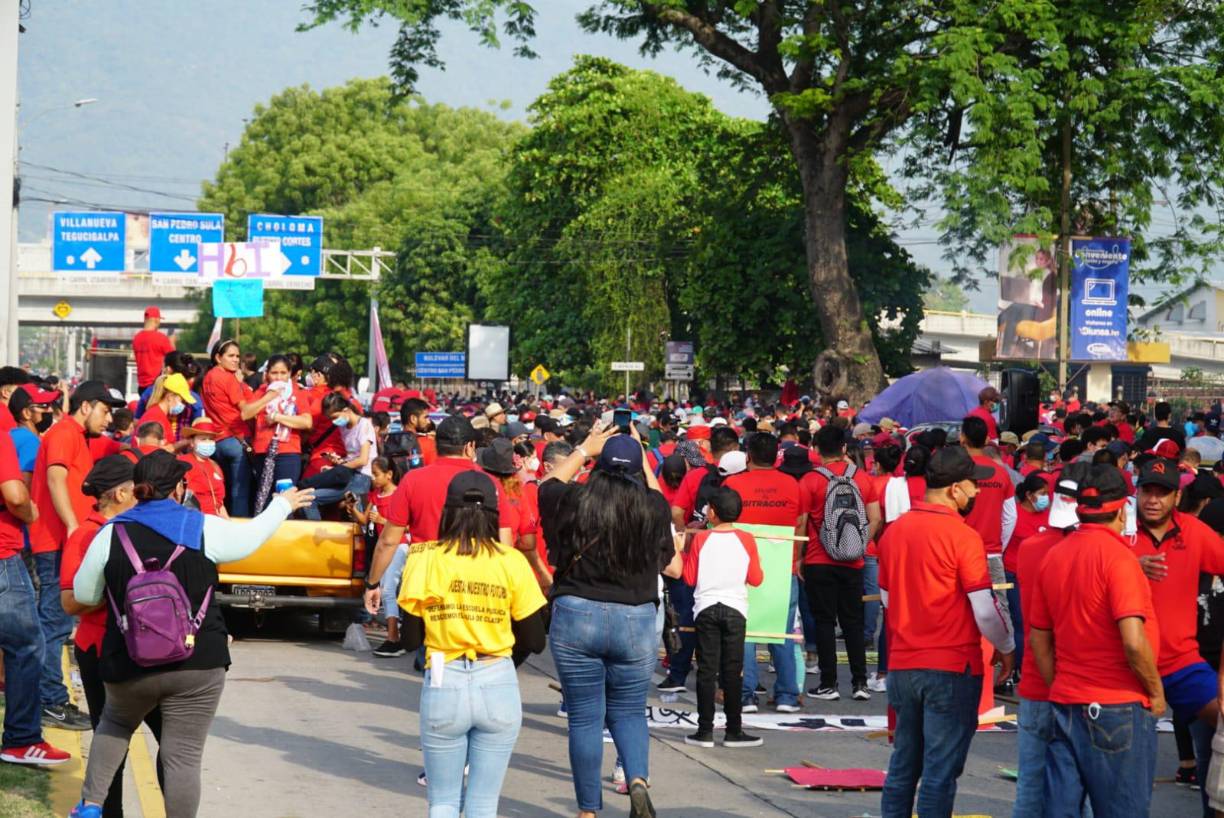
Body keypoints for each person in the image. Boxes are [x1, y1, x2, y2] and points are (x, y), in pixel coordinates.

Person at [67, 451, 314, 818]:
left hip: (129, 661)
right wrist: (282, 505)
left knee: (114, 725)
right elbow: (249, 539)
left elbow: (85, 595)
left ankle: (90, 806)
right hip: (197, 661)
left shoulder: (111, 533)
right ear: (178, 489)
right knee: (182, 755)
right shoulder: (203, 527)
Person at [539, 427, 683, 818]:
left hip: (577, 613)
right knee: (630, 711)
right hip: (635, 618)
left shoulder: (575, 500)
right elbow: (659, 501)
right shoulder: (652, 508)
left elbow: (547, 485)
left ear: (599, 465)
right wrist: (642, 455)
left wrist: (584, 448)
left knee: (585, 716)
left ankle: (588, 810)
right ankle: (637, 778)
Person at [396, 471, 547, 818]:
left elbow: (410, 639)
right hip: (497, 679)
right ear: (494, 514)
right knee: (483, 805)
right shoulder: (510, 561)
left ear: (447, 512)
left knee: (443, 802)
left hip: (444, 679)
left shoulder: (423, 557)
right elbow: (535, 640)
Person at [878, 446, 1016, 818]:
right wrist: (1007, 647)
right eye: (973, 485)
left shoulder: (894, 532)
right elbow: (984, 609)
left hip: (904, 665)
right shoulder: (963, 537)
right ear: (955, 489)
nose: (977, 492)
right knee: (940, 772)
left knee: (903, 765)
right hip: (951, 666)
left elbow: (887, 599)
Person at [1028, 464, 1164, 818]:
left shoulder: (1054, 557)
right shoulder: (1121, 560)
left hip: (1067, 703)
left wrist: (1060, 686)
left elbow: (1039, 640)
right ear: (1122, 511)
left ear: (1079, 509)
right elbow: (1133, 641)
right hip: (1118, 703)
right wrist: (1155, 691)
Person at [59, 455, 162, 815]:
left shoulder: (139, 529)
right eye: (137, 489)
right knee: (111, 745)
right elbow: (70, 602)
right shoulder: (87, 535)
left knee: (172, 742)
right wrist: (119, 590)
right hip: (101, 650)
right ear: (120, 493)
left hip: (147, 651)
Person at [29, 381, 126, 730]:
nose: (108, 419)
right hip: (57, 542)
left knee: (57, 622)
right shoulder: (64, 433)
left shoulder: (79, 436)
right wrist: (72, 525)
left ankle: (49, 698)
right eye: (104, 411)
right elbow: (55, 479)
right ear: (86, 406)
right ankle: (50, 702)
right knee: (54, 623)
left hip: (63, 542)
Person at [1130, 457, 1224, 817]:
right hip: (1128, 666)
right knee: (1129, 768)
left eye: (1162, 492)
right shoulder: (1120, 530)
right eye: (1147, 491)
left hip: (1182, 662)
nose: (1153, 500)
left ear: (1176, 497)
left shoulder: (1194, 531)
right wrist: (1130, 566)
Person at [1011, 465, 1084, 818]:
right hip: (1076, 685)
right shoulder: (1088, 552)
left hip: (1035, 681)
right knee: (1082, 788)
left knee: (1030, 783)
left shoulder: (1030, 548)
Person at [0, 430, 70, 767]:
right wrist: (30, 512)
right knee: (26, 646)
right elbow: (15, 496)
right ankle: (22, 738)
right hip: (2, 555)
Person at [797, 423, 880, 702]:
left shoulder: (810, 481)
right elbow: (876, 517)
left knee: (824, 621)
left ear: (816, 449)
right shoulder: (863, 479)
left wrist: (798, 557)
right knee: (853, 622)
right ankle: (860, 682)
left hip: (818, 559)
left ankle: (828, 683)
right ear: (844, 448)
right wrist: (858, 544)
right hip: (853, 562)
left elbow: (801, 522)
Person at [722, 432, 802, 713]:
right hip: (783, 567)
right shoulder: (792, 484)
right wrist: (798, 558)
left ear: (748, 456)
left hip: (741, 567)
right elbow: (800, 522)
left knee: (743, 632)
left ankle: (745, 695)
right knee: (781, 632)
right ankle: (787, 696)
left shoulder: (733, 484)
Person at [683, 486, 764, 748]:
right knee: (733, 670)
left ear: (712, 513)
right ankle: (734, 730)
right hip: (735, 608)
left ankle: (704, 730)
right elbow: (756, 578)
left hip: (706, 608)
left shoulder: (701, 539)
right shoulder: (747, 539)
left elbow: (689, 578)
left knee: (706, 670)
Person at [961, 416, 1016, 634]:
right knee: (1000, 607)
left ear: (962, 438)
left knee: (960, 605)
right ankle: (1006, 650)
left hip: (961, 553)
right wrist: (998, 546)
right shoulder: (1001, 472)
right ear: (986, 440)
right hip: (992, 553)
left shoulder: (957, 472)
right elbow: (1010, 517)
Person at [246, 355, 313, 513]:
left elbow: (307, 422)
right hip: (263, 451)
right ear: (267, 374)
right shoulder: (262, 391)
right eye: (274, 373)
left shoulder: (297, 392)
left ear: (289, 373)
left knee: (285, 498)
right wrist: (269, 397)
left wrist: (278, 417)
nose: (279, 377)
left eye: (283, 373)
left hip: (288, 452)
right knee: (265, 498)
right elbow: (246, 414)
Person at [299, 392, 376, 521]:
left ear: (346, 410)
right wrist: (338, 462)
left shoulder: (364, 425)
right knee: (309, 498)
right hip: (347, 475)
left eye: (335, 417)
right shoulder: (344, 428)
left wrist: (339, 468)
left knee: (357, 519)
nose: (334, 422)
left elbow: (363, 460)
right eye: (331, 419)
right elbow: (352, 457)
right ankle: (317, 531)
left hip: (361, 477)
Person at [200, 340, 254, 517]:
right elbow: (247, 410)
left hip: (216, 442)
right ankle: (240, 528)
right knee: (240, 493)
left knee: (224, 492)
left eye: (237, 356)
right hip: (236, 439)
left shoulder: (207, 378)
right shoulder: (228, 378)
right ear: (218, 357)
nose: (236, 360)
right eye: (231, 356)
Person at [178, 419, 228, 517]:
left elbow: (220, 504)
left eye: (211, 439)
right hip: (194, 518)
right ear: (192, 442)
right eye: (203, 439)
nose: (208, 442)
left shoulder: (215, 466)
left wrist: (228, 523)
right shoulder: (183, 463)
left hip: (216, 520)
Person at [137, 373, 197, 447]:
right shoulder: (155, 417)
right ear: (170, 397)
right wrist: (182, 444)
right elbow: (151, 450)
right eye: (182, 400)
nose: (183, 405)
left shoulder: (160, 415)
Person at [131, 306, 174, 391]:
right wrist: (172, 342)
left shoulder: (136, 338)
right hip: (156, 386)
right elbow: (174, 358)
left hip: (141, 386)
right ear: (156, 320)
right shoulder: (161, 338)